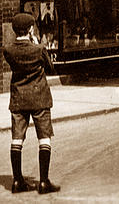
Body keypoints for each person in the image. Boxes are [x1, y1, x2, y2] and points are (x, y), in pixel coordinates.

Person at [1, 13, 59, 194]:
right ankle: (43, 182)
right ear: (31, 29)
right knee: (44, 138)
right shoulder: (38, 49)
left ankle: (17, 181)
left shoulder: (8, 50)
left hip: (19, 98)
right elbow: (50, 68)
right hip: (39, 97)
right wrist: (36, 43)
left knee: (17, 139)